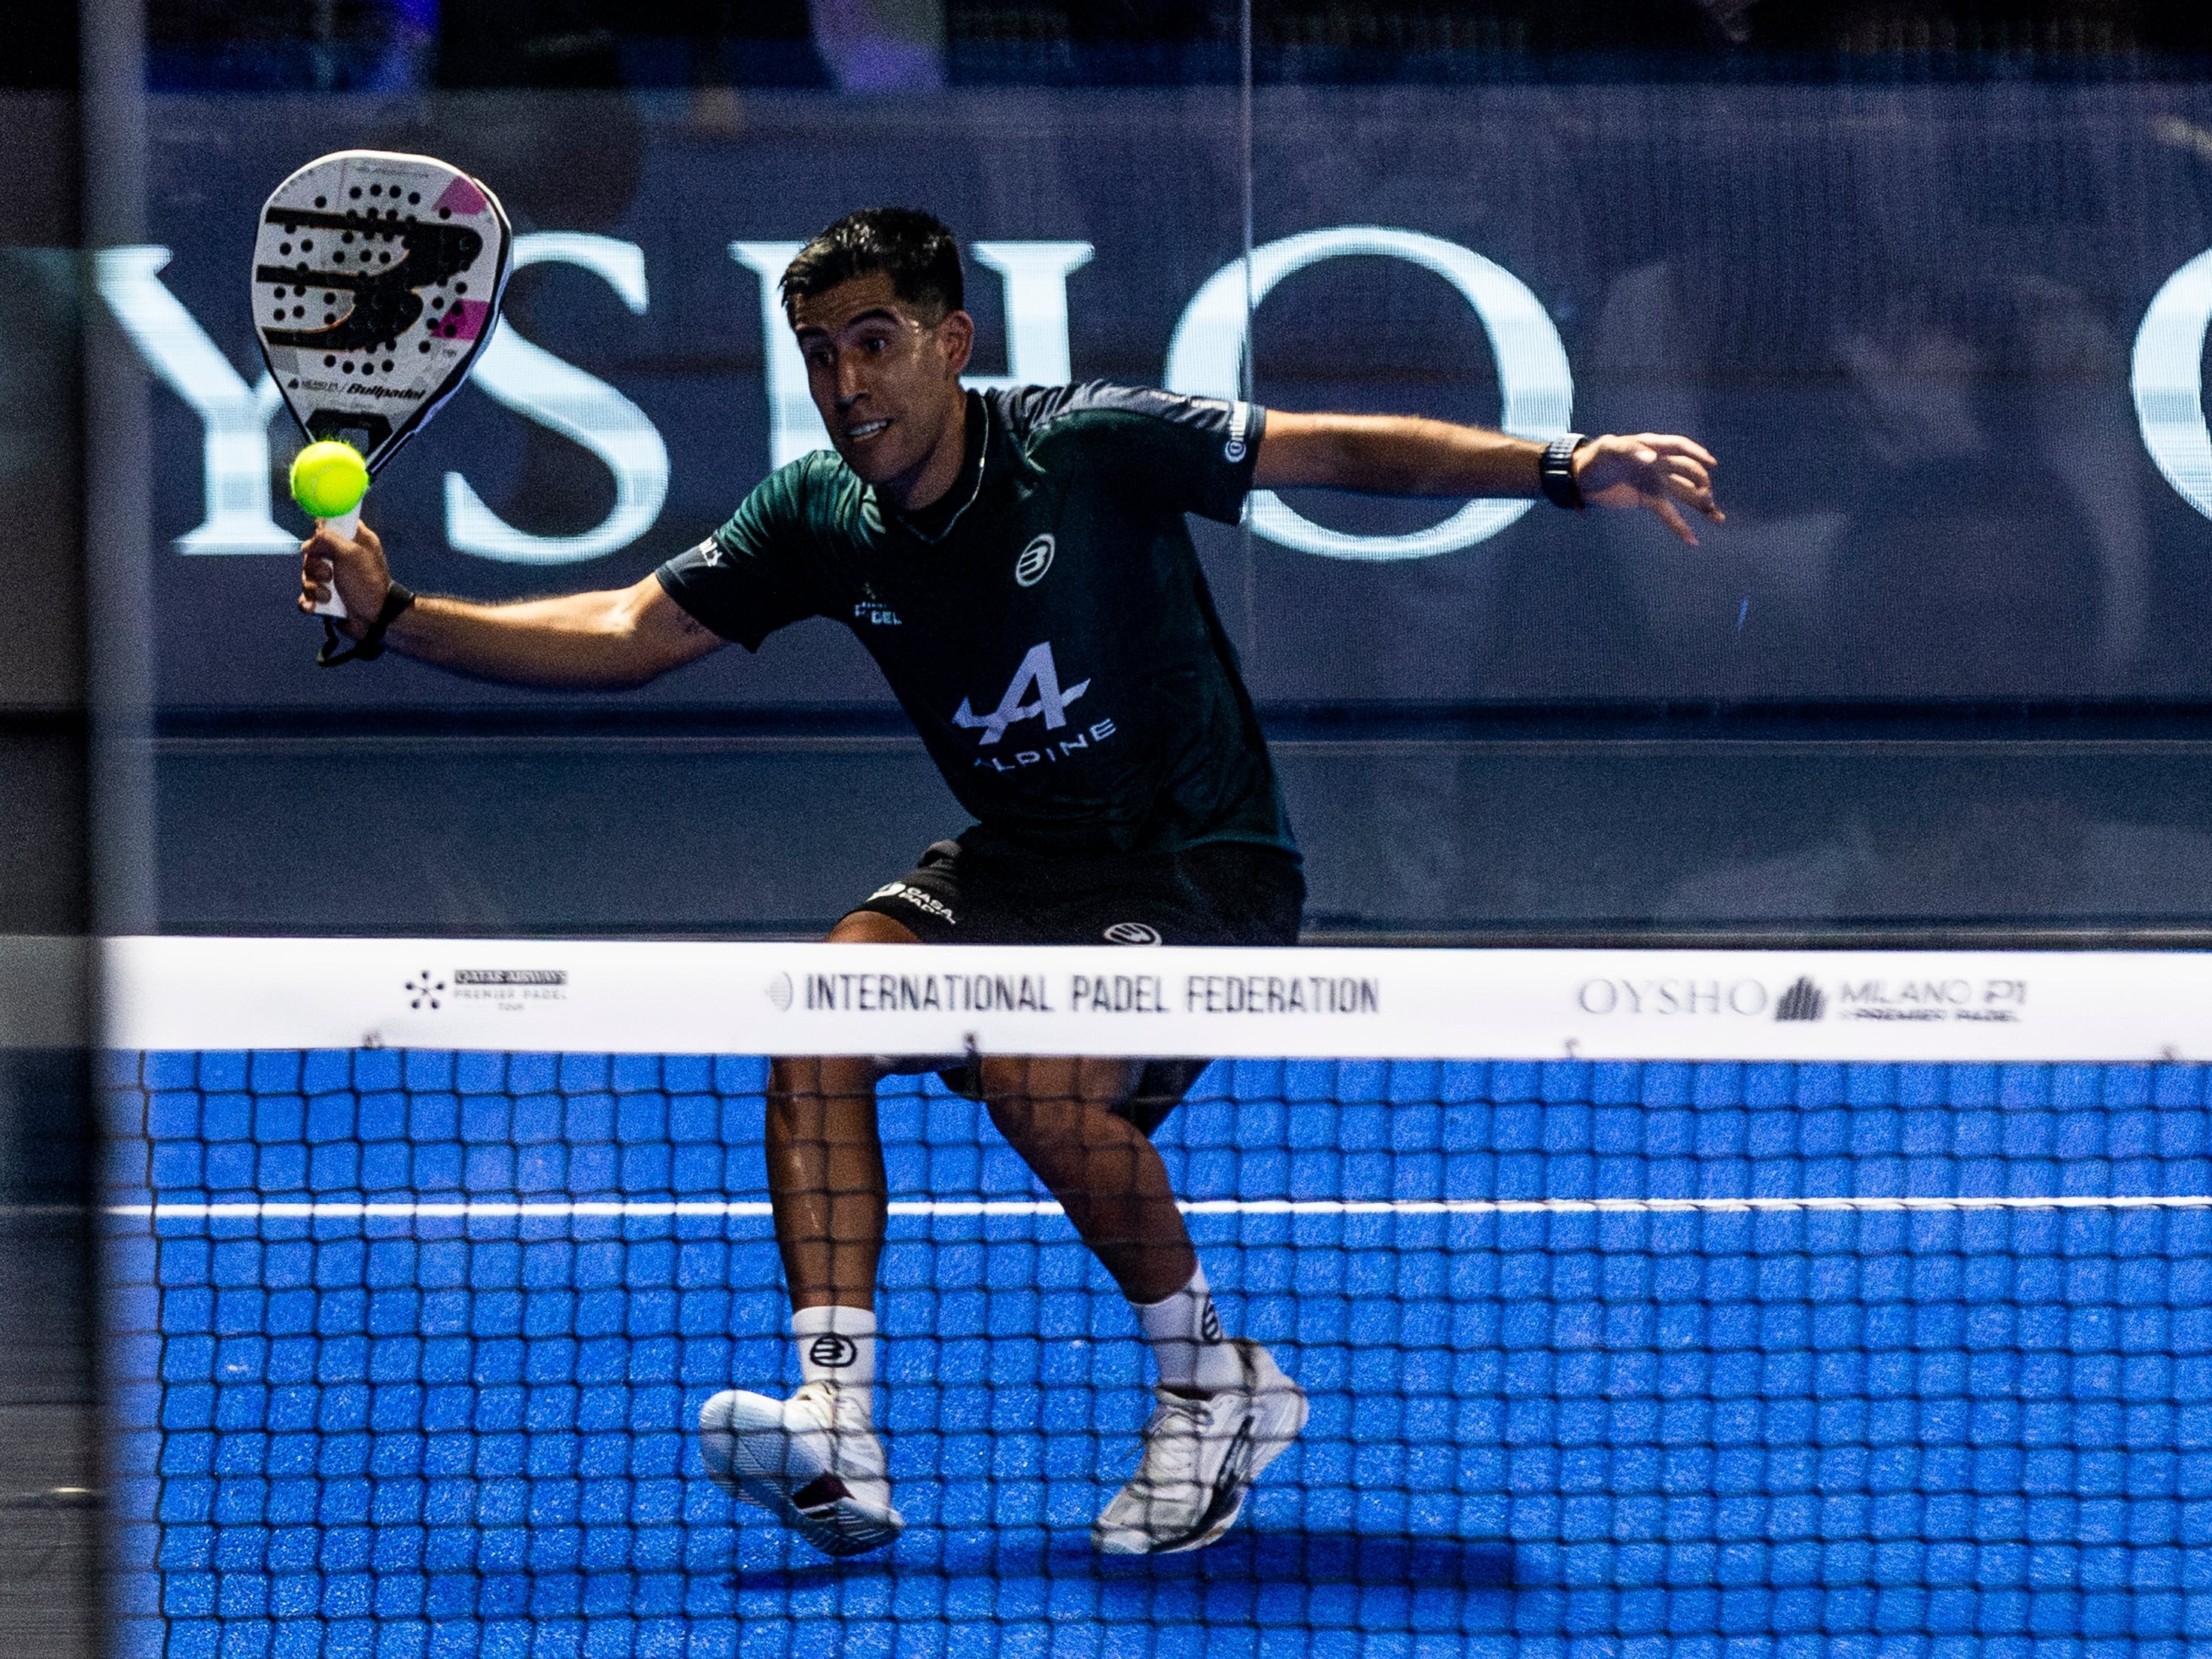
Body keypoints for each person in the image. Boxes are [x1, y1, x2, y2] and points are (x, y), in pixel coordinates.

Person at [299, 206, 1723, 1560]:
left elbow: (1334, 450)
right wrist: (397, 618)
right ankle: (840, 1426)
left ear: (951, 341)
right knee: (822, 1011)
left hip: (1197, 861)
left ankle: (1215, 1383)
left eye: (873, 340)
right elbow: (627, 628)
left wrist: (1559, 463)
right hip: (1022, 862)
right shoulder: (819, 514)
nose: (844, 381)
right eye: (818, 351)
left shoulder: (1084, 445)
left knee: (1042, 1075)